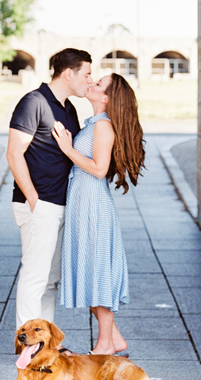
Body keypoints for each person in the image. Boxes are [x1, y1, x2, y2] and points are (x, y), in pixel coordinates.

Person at [52, 73, 145, 355]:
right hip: (84, 205)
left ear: (106, 97)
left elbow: (99, 169)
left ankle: (105, 345)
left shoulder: (103, 126)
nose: (91, 83)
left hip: (93, 207)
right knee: (89, 273)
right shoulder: (94, 123)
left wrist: (67, 149)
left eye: (99, 83)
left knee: (96, 274)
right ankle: (115, 339)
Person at [7, 48, 92, 328]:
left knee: (50, 281)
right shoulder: (34, 102)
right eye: (86, 74)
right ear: (68, 74)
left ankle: (44, 344)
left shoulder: (69, 109)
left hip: (60, 204)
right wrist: (34, 199)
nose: (90, 80)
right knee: (35, 277)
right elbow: (14, 154)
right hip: (40, 205)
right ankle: (27, 346)